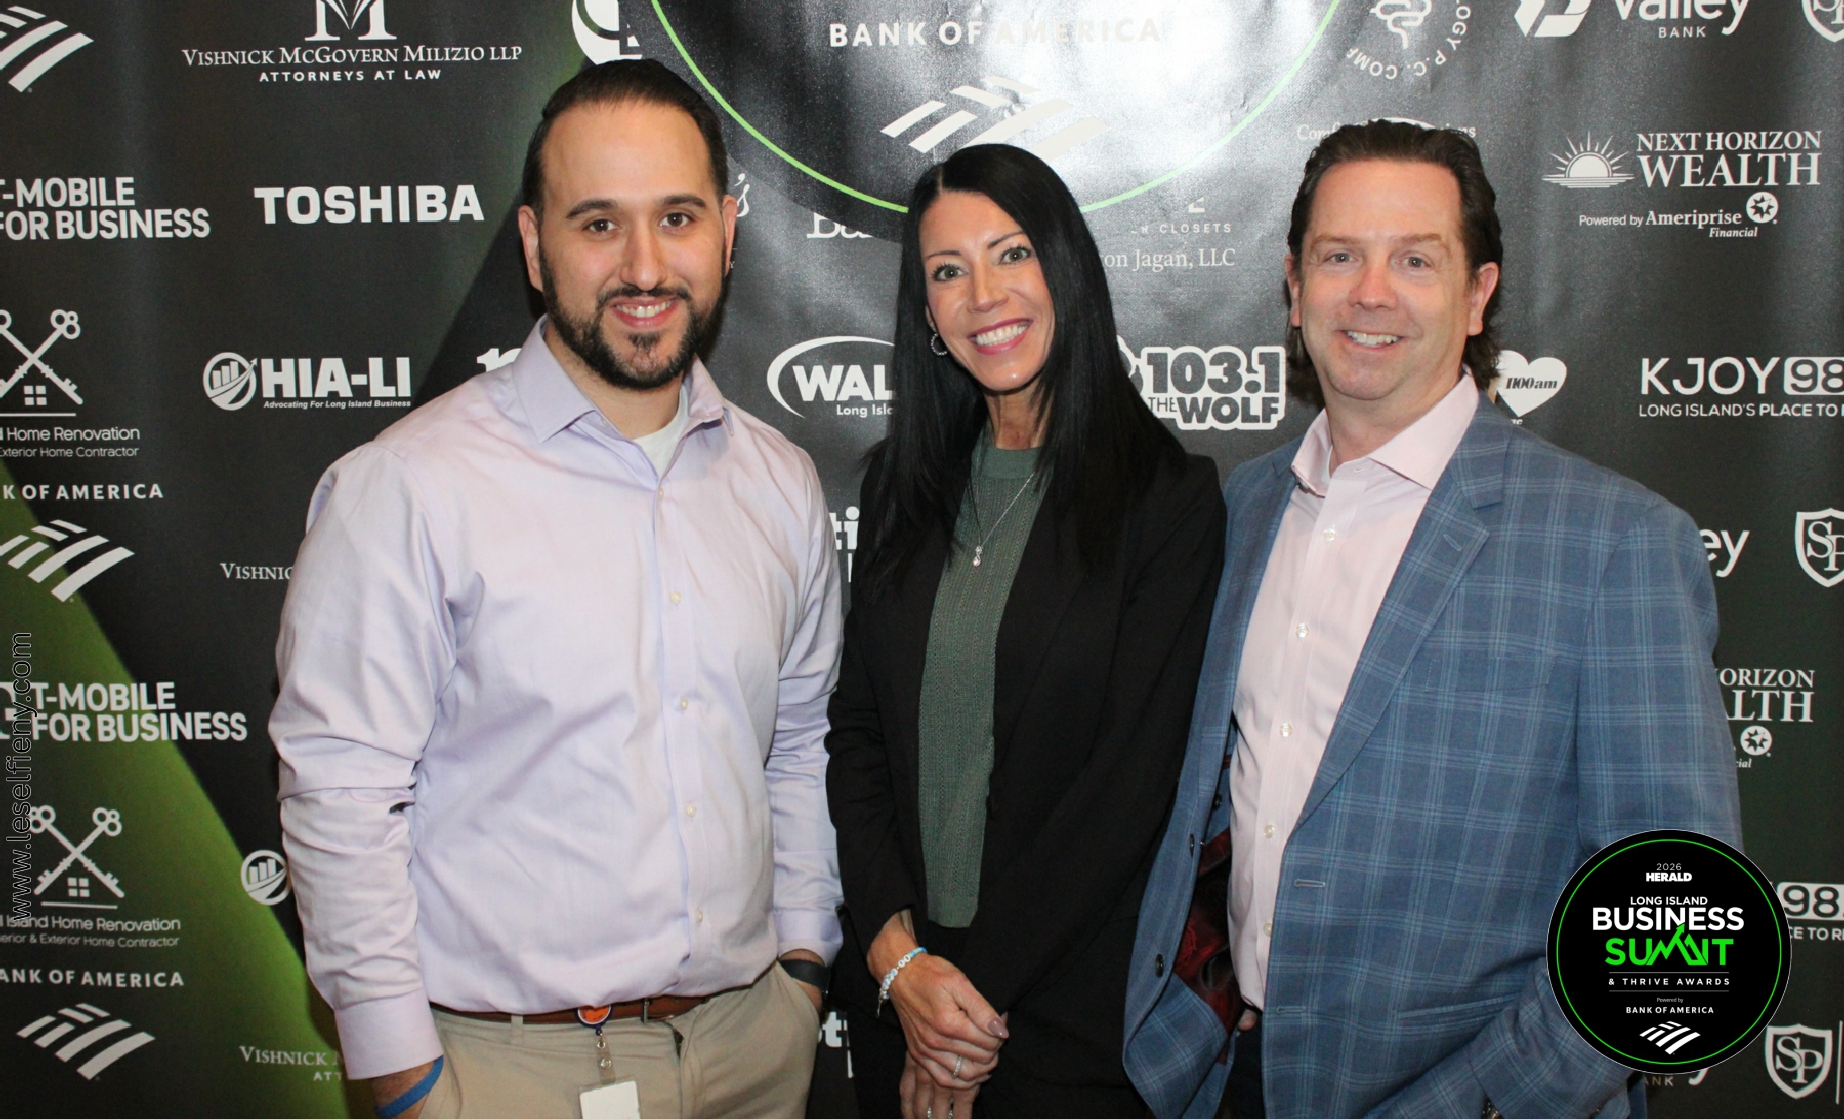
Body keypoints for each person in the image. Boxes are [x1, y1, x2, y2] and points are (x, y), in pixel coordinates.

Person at [1121, 120, 1742, 1119]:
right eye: (1339, 257)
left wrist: (1487, 1103)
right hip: (1228, 1078)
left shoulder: (1614, 544)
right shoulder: (1243, 508)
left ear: (1478, 294)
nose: (1370, 293)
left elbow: (1676, 919)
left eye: (1414, 259)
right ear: (1293, 287)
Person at [270, 60, 842, 1119]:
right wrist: (403, 1080)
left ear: (726, 232)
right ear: (535, 247)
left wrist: (803, 964)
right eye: (598, 224)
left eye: (676, 218)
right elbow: (340, 790)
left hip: (753, 1051)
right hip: (507, 1070)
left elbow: (798, 744)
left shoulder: (780, 482)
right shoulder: (409, 486)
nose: (643, 265)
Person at [827, 144, 1227, 1119]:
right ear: (925, 313)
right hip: (899, 1004)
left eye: (1010, 254)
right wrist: (898, 960)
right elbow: (858, 733)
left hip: (1062, 1028)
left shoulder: (1165, 502)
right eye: (947, 271)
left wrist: (960, 1020)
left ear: (1065, 267)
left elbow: (1126, 792)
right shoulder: (899, 487)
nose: (983, 295)